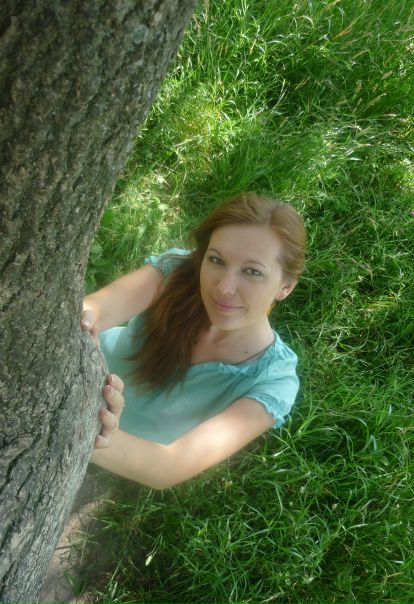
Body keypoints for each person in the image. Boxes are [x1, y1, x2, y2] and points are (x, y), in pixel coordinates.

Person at [83, 193, 306, 490]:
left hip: (120, 451)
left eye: (252, 272)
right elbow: (95, 309)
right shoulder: (176, 273)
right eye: (216, 260)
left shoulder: (272, 382)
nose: (224, 288)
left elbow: (167, 467)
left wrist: (84, 427)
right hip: (78, 377)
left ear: (286, 286)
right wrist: (84, 320)